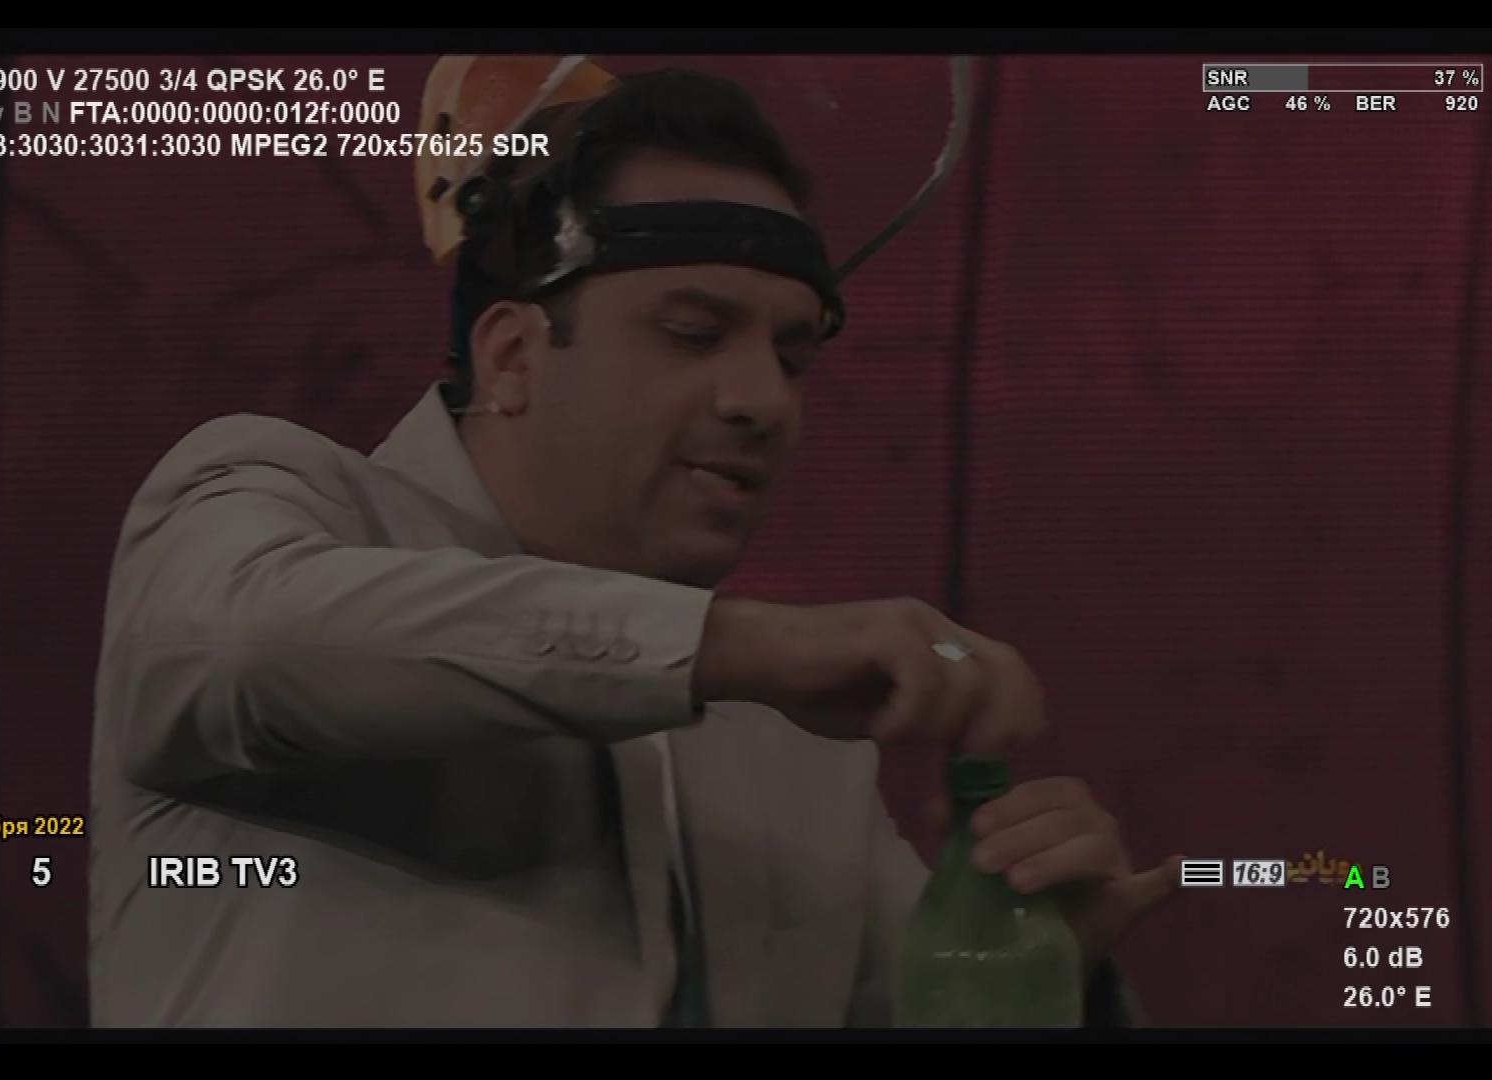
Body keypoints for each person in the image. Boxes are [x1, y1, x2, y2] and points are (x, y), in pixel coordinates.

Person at [88, 64, 1177, 1027]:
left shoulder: (794, 742)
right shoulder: (275, 500)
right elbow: (245, 644)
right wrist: (743, 650)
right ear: (512, 357)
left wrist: (1041, 972)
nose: (762, 400)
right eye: (693, 333)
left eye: (793, 357)